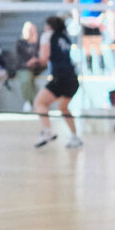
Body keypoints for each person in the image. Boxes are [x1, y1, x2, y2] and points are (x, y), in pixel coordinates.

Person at [32, 16, 83, 150]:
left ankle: (47, 132)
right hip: (72, 77)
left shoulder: (48, 35)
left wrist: (35, 61)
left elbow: (44, 58)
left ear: (49, 26)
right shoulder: (65, 37)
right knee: (63, 107)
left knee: (39, 103)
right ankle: (74, 137)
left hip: (60, 77)